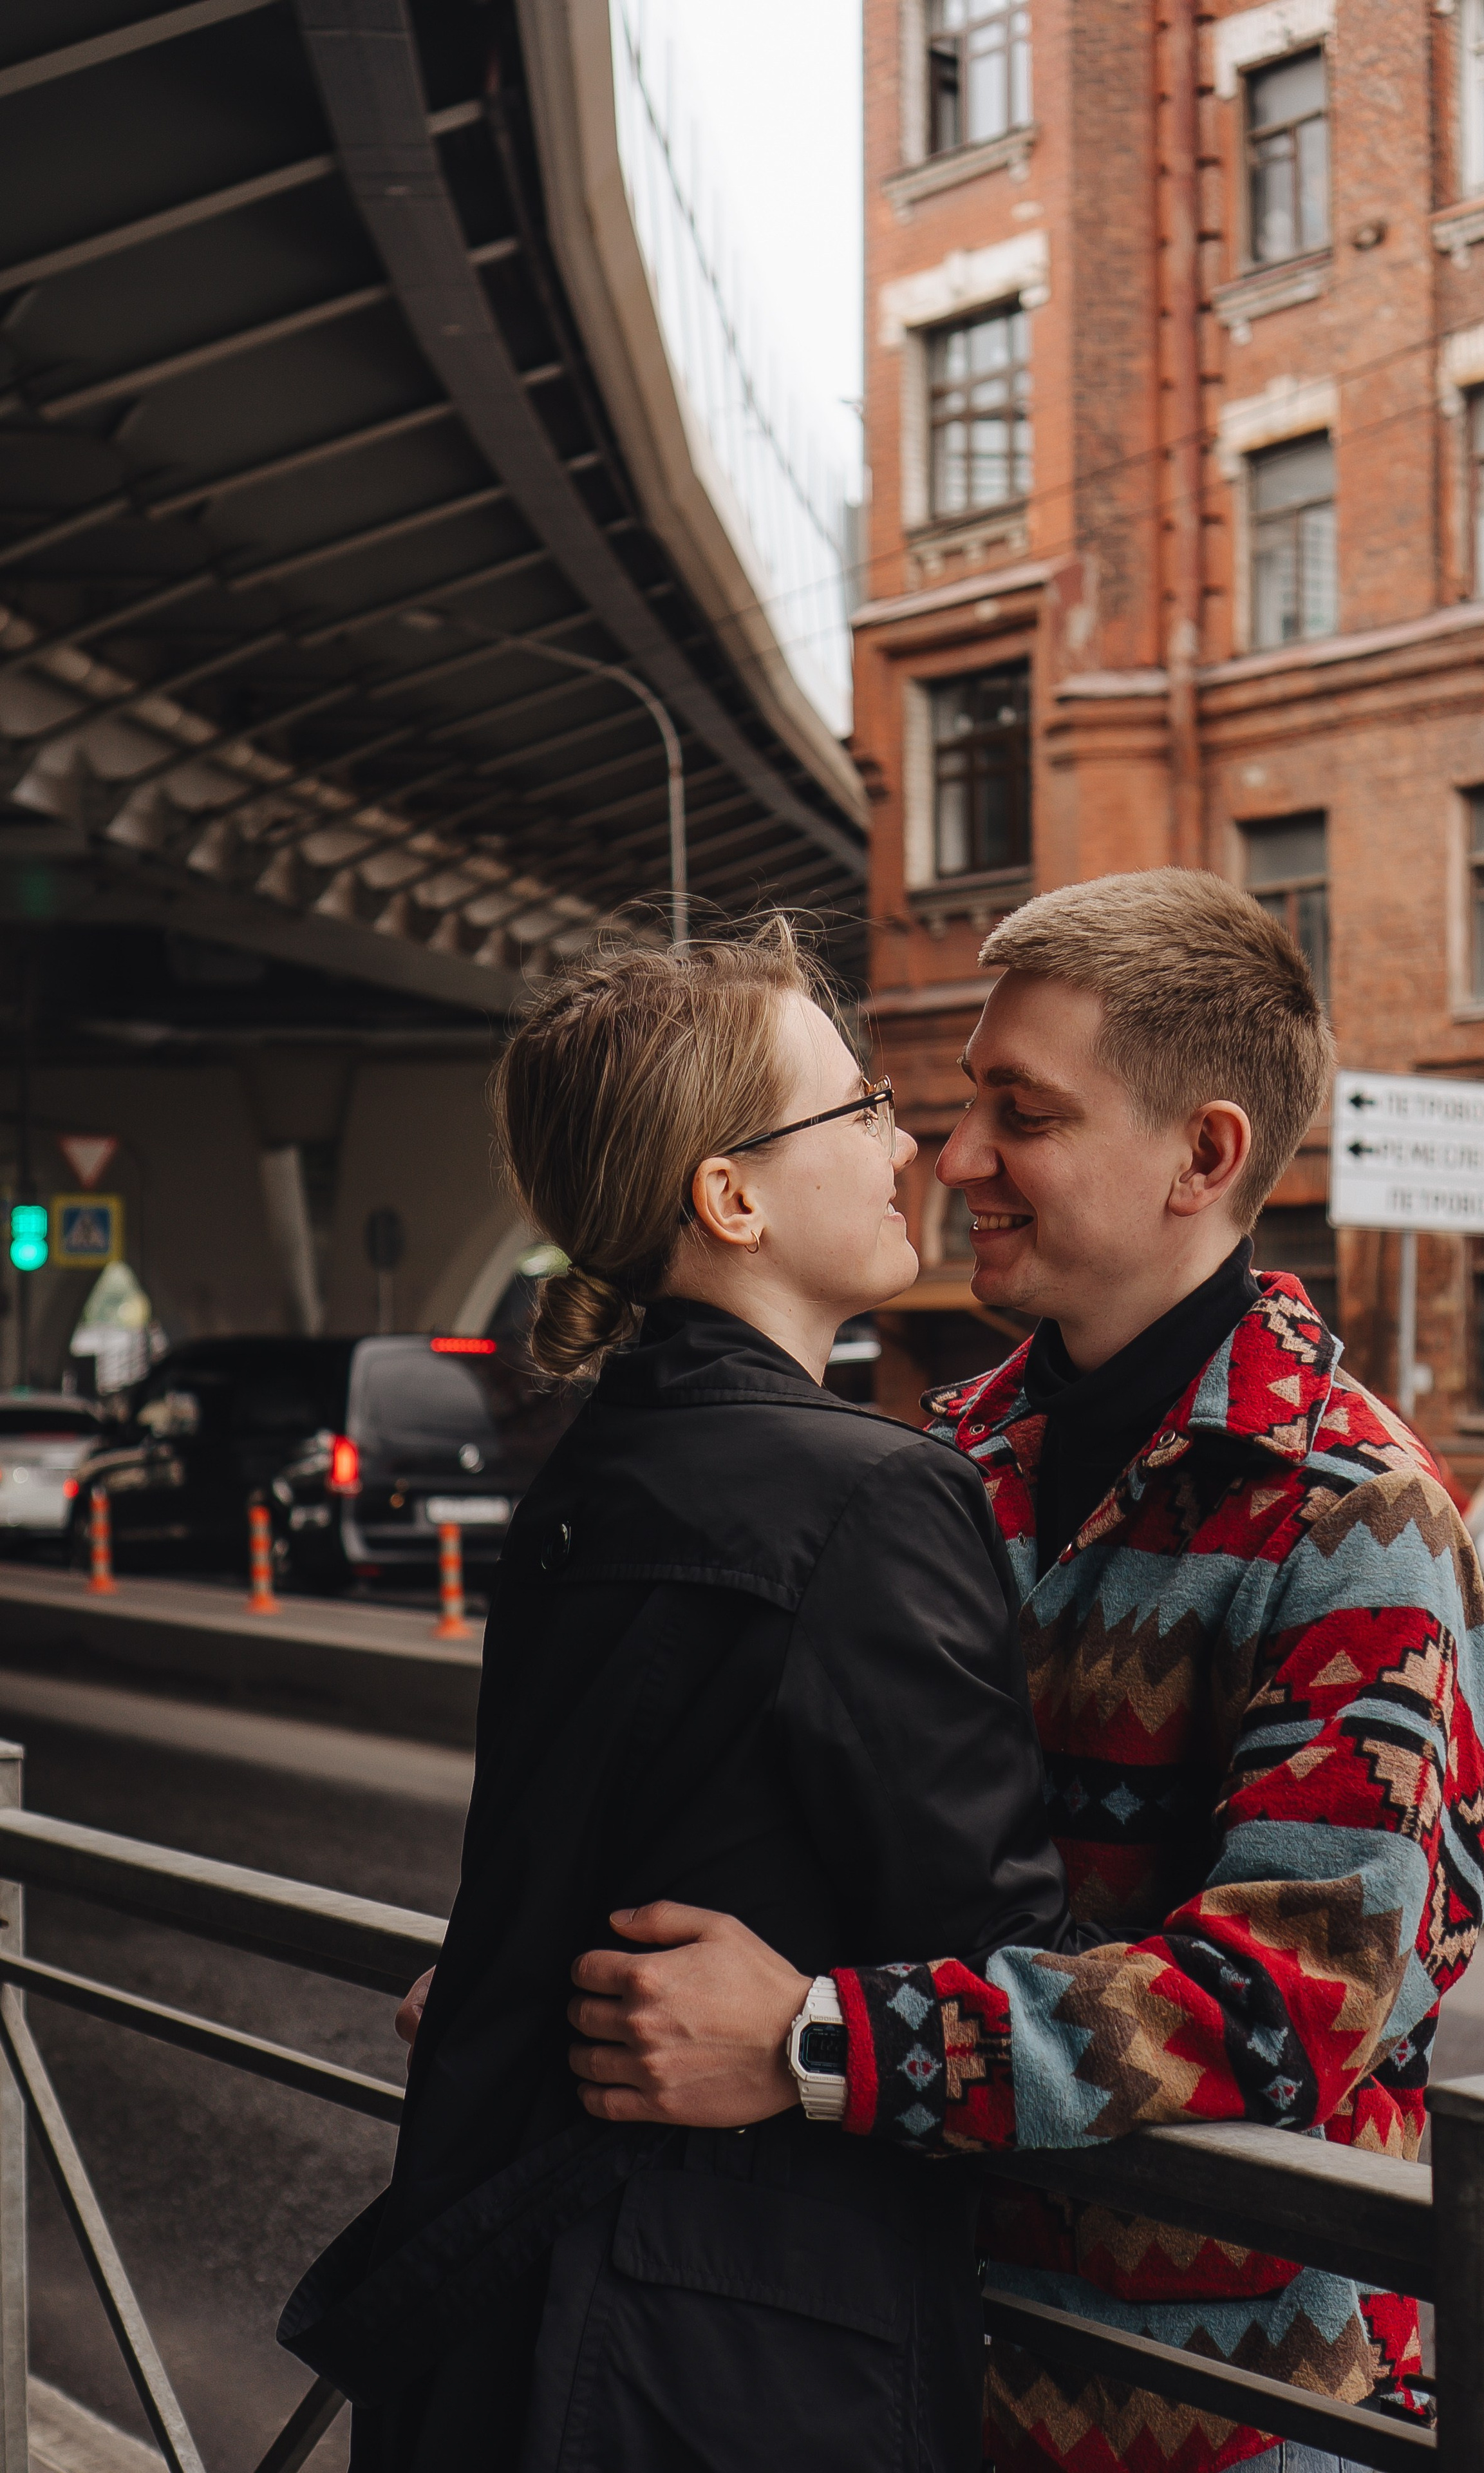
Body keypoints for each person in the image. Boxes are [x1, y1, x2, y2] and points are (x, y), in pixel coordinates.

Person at [562, 871, 1484, 2473]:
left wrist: (815, 2043)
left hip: (1228, 2418)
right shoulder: (944, 1461)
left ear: (1200, 1156)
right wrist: (562, 1968)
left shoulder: (1353, 1521)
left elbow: (1283, 2008)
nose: (957, 1157)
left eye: (1023, 1113)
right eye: (960, 1104)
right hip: (904, 2364)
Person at [278, 922, 1071, 2472]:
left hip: (513, 2299)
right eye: (856, 1111)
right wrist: (810, 2036)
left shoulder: (600, 1465)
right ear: (731, 1195)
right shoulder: (871, 1496)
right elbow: (998, 1961)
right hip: (738, 2343)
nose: (904, 1143)